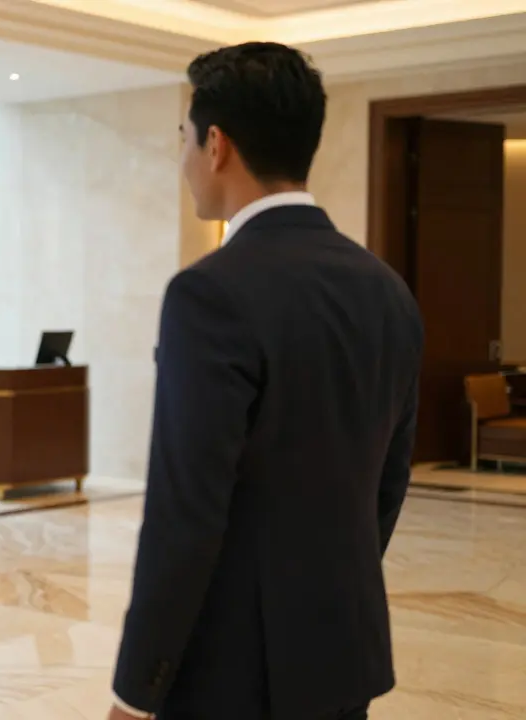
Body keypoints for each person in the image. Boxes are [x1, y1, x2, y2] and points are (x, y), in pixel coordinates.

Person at [108, 43, 424, 720]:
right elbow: (389, 481)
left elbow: (185, 511)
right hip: (342, 653)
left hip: (233, 672)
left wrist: (137, 691)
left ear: (216, 144)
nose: (183, 160)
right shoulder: (388, 290)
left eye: (184, 139)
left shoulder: (209, 293)